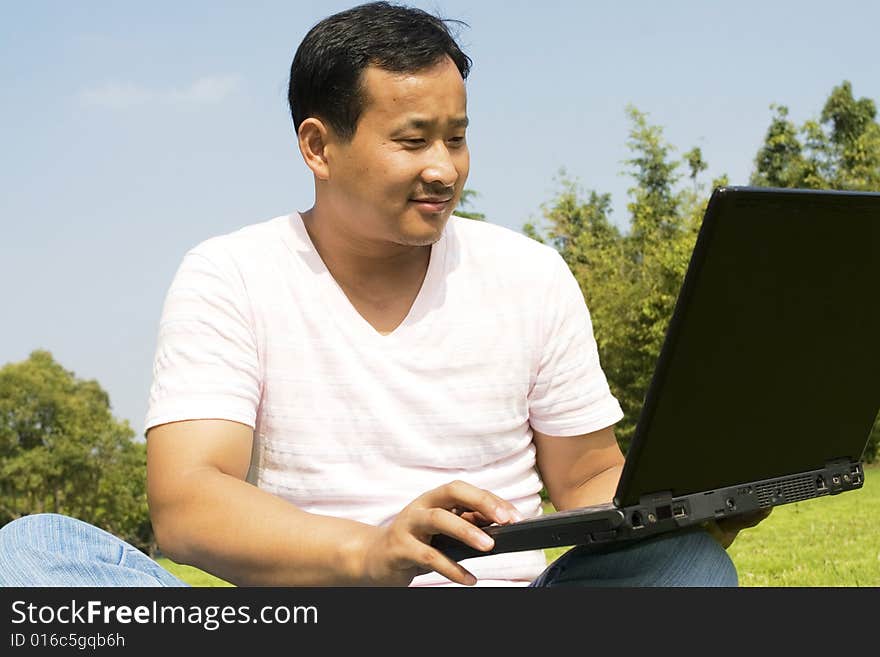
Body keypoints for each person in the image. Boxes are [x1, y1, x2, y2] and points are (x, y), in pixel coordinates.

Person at [0, 1, 766, 588]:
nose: (445, 168)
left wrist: (686, 503)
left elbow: (588, 474)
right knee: (32, 553)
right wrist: (369, 550)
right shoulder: (230, 274)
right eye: (412, 140)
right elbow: (189, 501)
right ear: (318, 146)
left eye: (457, 136)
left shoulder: (530, 273)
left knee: (685, 564)